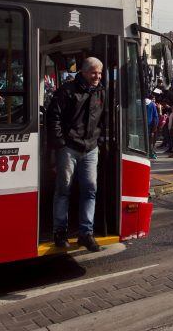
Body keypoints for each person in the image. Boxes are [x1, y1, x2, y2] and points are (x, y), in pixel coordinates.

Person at [47, 57, 106, 252]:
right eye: (94, 73)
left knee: (90, 189)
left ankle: (85, 233)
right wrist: (61, 145)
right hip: (69, 148)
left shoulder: (100, 91)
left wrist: (100, 140)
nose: (97, 76)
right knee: (64, 189)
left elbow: (103, 118)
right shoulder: (67, 91)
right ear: (83, 72)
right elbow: (53, 117)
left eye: (99, 73)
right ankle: (60, 233)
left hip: (90, 148)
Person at [145, 95, 159, 160]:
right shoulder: (152, 105)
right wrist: (155, 127)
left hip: (141, 125)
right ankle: (150, 153)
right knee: (150, 141)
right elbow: (155, 117)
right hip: (150, 126)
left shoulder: (138, 102)